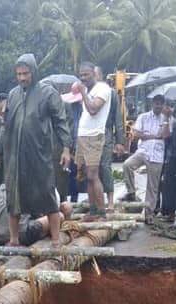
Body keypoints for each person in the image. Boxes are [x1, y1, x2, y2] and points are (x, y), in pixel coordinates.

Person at [0, 53, 72, 247]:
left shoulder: (48, 93)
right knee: (14, 196)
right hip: (14, 157)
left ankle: (56, 239)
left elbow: (61, 122)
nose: (22, 78)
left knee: (47, 193)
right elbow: (6, 127)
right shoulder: (12, 94)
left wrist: (66, 149)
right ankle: (14, 239)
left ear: (33, 72)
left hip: (39, 154)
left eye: (25, 73)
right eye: (18, 74)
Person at [71, 62, 113, 219]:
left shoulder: (103, 89)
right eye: (81, 75)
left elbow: (93, 109)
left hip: (94, 136)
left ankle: (102, 212)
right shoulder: (88, 90)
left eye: (86, 75)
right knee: (85, 175)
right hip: (82, 135)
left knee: (93, 175)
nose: (83, 78)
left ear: (94, 74)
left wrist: (82, 92)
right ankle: (93, 210)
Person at [124, 94, 171, 224]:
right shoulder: (143, 117)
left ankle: (149, 214)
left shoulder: (166, 119)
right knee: (127, 165)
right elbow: (137, 134)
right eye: (157, 103)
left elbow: (166, 135)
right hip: (143, 151)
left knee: (153, 187)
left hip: (157, 155)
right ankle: (131, 192)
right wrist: (153, 136)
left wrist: (166, 118)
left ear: (163, 105)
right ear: (153, 104)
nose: (159, 106)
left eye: (161, 104)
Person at [0, 183, 72, 246]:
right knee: (61, 215)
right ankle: (56, 240)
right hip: (22, 234)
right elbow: (46, 213)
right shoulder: (32, 187)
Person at [95, 67, 126, 211]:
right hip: (90, 134)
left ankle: (111, 201)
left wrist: (120, 142)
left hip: (106, 132)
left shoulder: (111, 94)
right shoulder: (88, 93)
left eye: (95, 75)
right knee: (92, 169)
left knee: (105, 167)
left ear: (100, 76)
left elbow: (118, 119)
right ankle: (96, 202)